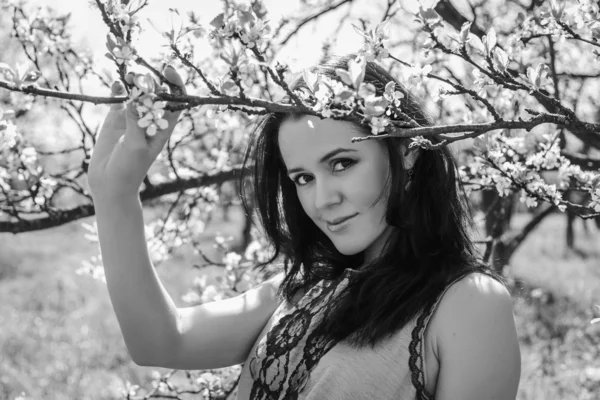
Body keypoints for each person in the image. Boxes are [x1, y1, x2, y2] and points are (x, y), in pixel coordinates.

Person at [88, 54, 521, 400]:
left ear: (407, 151)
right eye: (303, 178)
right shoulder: (308, 286)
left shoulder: (470, 304)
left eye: (341, 163)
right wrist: (115, 195)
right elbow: (162, 342)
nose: (321, 199)